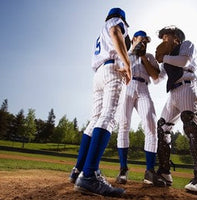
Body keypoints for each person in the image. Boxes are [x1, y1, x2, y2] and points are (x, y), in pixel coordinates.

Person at [69, 8, 131, 197]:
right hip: (113, 69)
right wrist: (127, 64)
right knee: (108, 117)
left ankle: (78, 170)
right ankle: (89, 175)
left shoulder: (100, 31)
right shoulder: (115, 23)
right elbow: (115, 32)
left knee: (95, 119)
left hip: (98, 74)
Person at [155, 25, 197, 194]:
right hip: (173, 93)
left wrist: (163, 57)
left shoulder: (186, 45)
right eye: (162, 37)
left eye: (166, 36)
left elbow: (184, 61)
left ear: (176, 36)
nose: (163, 40)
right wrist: (145, 59)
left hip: (187, 86)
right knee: (163, 127)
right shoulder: (167, 58)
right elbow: (157, 78)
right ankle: (164, 173)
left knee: (190, 125)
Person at [115, 30, 165, 187]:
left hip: (143, 88)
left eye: (146, 41)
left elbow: (156, 77)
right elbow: (116, 71)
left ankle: (149, 172)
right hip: (127, 87)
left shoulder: (149, 56)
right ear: (134, 39)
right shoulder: (123, 53)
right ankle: (123, 170)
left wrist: (143, 56)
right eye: (141, 40)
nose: (143, 43)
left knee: (151, 124)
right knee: (123, 125)